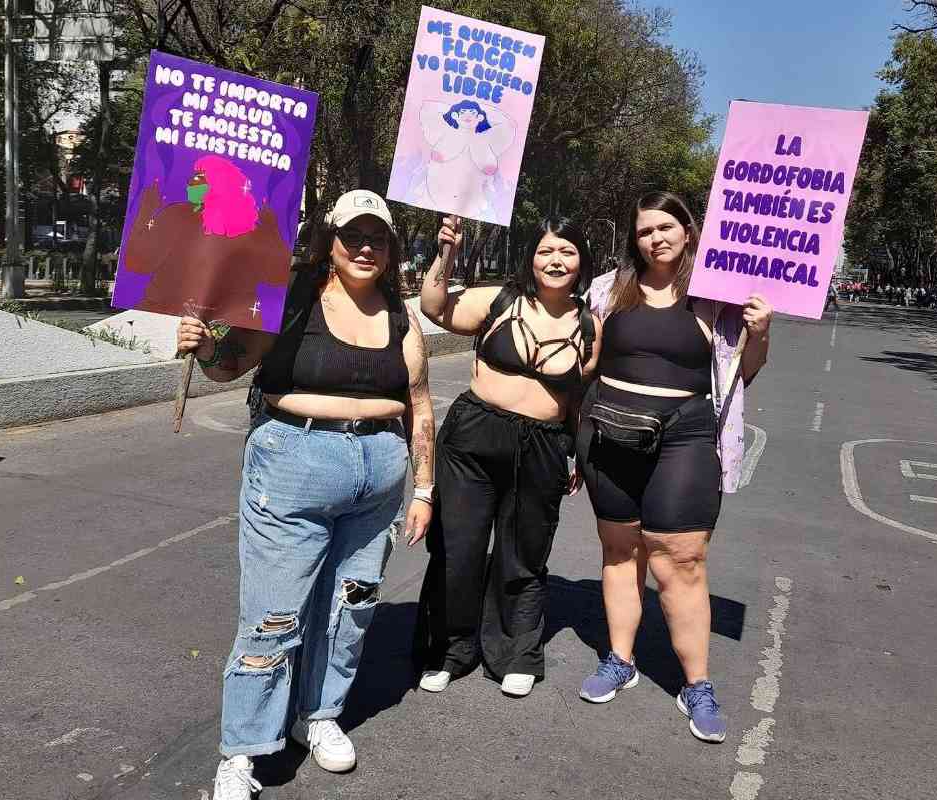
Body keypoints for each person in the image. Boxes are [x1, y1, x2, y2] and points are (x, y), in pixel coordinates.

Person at [176, 190, 436, 800]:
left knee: (351, 608)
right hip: (293, 463)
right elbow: (229, 365)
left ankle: (317, 716)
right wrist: (206, 344)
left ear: (393, 248)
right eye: (354, 236)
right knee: (273, 615)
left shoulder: (401, 315)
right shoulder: (291, 296)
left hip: (379, 476)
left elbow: (420, 404)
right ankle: (242, 752)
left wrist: (423, 487)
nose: (366, 248)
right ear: (332, 241)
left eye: (378, 238)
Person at [577, 190, 773, 743]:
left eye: (667, 226)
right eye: (644, 230)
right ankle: (620, 659)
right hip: (608, 431)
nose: (656, 238)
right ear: (633, 239)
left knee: (680, 560)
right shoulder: (605, 292)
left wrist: (760, 332)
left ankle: (697, 685)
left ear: (689, 231)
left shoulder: (716, 298)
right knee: (619, 551)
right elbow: (586, 365)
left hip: (684, 436)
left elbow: (745, 371)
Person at [414, 215, 601, 698]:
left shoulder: (588, 325)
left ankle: (516, 652)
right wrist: (446, 252)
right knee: (459, 547)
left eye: (567, 252)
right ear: (531, 257)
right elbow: (434, 307)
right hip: (473, 439)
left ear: (581, 261)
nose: (555, 261)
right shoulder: (498, 301)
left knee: (524, 553)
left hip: (541, 447)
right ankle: (449, 650)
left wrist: (575, 451)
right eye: (545, 251)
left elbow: (578, 395)